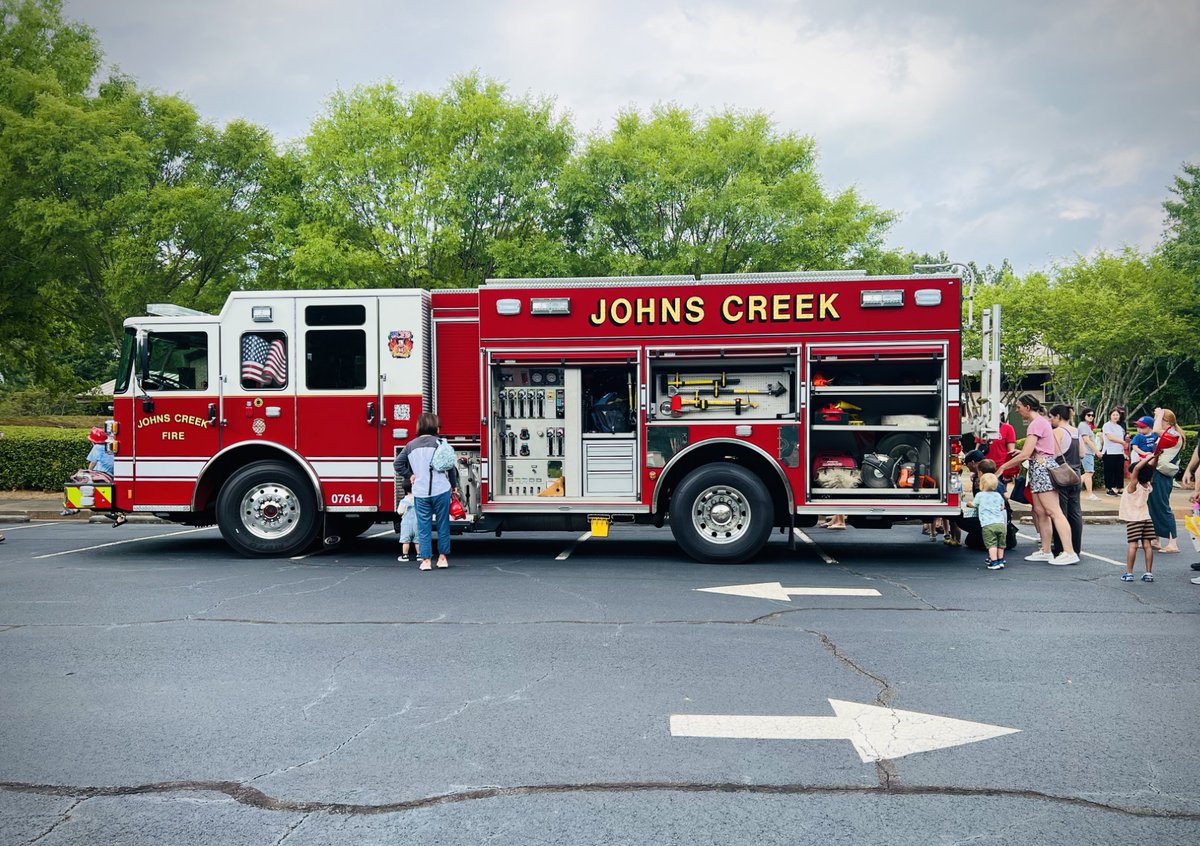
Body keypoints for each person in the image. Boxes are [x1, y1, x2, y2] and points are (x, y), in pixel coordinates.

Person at [997, 394, 1079, 565]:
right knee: (1042, 512)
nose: (1017, 410)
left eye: (1019, 407)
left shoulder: (1036, 424)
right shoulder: (1042, 422)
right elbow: (1038, 450)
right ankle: (1046, 550)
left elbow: (1026, 453)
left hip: (1041, 469)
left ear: (1028, 407)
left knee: (1053, 512)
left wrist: (1003, 467)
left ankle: (1069, 551)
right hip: (1040, 467)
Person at [394, 413, 454, 571]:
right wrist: (453, 487)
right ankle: (443, 558)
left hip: (420, 492)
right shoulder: (441, 443)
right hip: (441, 490)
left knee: (423, 526)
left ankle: (426, 560)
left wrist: (410, 475)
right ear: (436, 426)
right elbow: (451, 468)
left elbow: (398, 464)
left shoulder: (411, 445)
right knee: (443, 524)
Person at [1049, 405, 1083, 560]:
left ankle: (1062, 547)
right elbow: (1082, 454)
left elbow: (1053, 454)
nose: (1050, 420)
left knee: (1060, 512)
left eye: (1051, 417)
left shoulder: (1057, 432)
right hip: (1076, 474)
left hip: (1062, 475)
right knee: (1075, 512)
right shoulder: (1076, 431)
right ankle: (1076, 547)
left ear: (1058, 417)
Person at [1148, 408, 1184, 554]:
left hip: (1162, 475)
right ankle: (1156, 539)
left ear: (1167, 421)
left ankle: (1173, 542)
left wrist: (1160, 412)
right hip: (1158, 473)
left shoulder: (1174, 434)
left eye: (1159, 419)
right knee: (1153, 506)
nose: (1156, 421)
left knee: (1163, 507)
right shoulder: (1172, 433)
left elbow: (1156, 429)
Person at [1119, 455, 1157, 582]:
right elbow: (1152, 468)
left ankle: (1129, 573)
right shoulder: (1147, 486)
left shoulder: (1133, 486)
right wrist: (1156, 457)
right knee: (1147, 545)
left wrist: (1151, 456)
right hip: (1146, 518)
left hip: (1134, 519)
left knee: (1133, 545)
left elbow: (1137, 470)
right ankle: (1148, 573)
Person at [975, 473, 1008, 570]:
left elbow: (974, 504)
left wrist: (969, 504)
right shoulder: (998, 495)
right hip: (1001, 523)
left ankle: (994, 562)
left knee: (991, 544)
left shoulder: (980, 495)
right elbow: (1002, 507)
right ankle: (1001, 560)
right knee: (1001, 544)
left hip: (988, 524)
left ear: (981, 484)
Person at [985, 412, 1018, 483]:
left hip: (1000, 467)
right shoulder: (983, 429)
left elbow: (1011, 452)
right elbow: (978, 448)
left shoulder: (1007, 428)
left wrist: (1008, 470)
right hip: (984, 467)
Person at [1101, 407, 1127, 496]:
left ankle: (1119, 487)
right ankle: (1110, 488)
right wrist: (1122, 442)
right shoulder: (1107, 425)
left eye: (1117, 415)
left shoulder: (1120, 426)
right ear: (1110, 416)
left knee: (1119, 471)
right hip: (1109, 452)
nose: (1115, 416)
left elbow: (1122, 437)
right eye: (1113, 415)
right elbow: (1110, 437)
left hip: (1119, 452)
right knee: (1109, 471)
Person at [1077, 408, 1101, 500]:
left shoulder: (1086, 425)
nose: (1091, 417)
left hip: (1088, 452)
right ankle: (1089, 494)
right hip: (1086, 452)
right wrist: (1097, 451)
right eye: (1089, 415)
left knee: (1088, 473)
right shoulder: (1083, 425)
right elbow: (1086, 440)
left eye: (1092, 415)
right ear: (1084, 415)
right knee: (1089, 473)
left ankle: (1073, 485)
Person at [395, 491, 417, 563]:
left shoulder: (403, 501)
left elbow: (399, 512)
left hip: (406, 524)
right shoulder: (418, 499)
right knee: (417, 541)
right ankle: (419, 555)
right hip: (417, 523)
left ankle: (405, 555)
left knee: (406, 541)